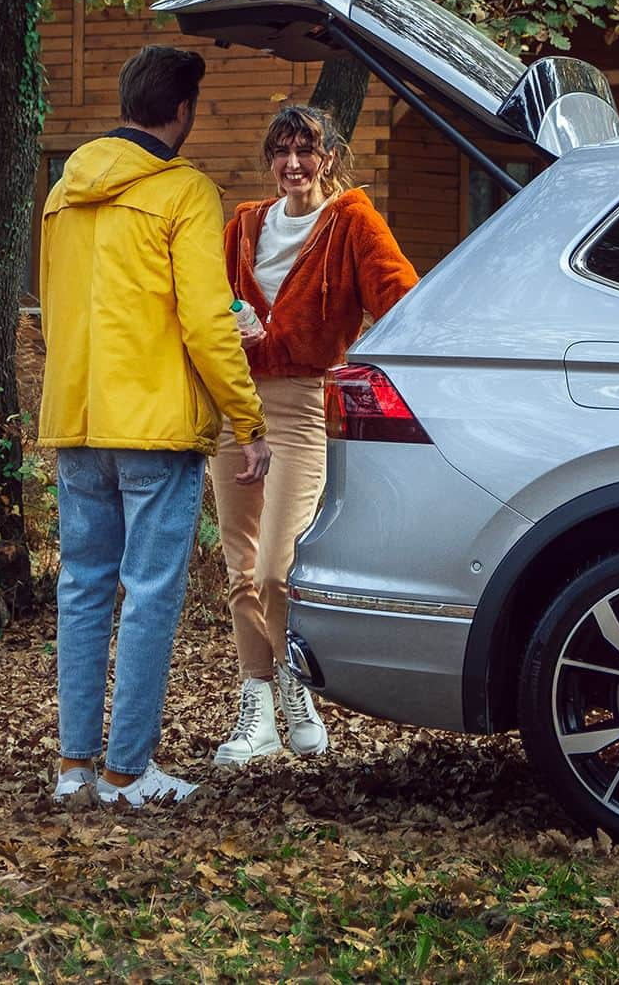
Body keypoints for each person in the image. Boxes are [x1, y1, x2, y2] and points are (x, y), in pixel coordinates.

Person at [39, 45, 271, 808]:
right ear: (181, 111)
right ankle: (128, 772)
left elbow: (54, 314)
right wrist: (248, 417)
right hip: (157, 428)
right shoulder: (184, 190)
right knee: (147, 597)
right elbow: (208, 321)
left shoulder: (61, 196)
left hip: (77, 419)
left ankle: (75, 769)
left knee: (82, 591)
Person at [210, 103, 417, 766]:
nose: (292, 163)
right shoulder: (243, 224)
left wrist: (355, 372)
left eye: (307, 150)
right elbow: (203, 302)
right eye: (281, 150)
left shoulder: (354, 222)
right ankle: (257, 708)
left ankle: (296, 687)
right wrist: (232, 323)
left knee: (276, 569)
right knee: (240, 568)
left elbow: (402, 305)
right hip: (235, 409)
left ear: (330, 158)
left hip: (303, 407)